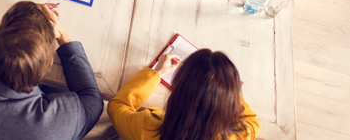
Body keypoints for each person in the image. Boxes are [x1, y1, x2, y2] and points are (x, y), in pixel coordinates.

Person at [0, 1, 104, 140]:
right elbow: (92, 98)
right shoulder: (67, 116)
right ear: (50, 63)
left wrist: (18, 27)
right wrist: (62, 36)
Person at [108, 49, 261, 140]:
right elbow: (253, 121)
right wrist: (222, 87)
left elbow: (117, 106)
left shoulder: (147, 127)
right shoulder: (241, 134)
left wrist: (157, 73)